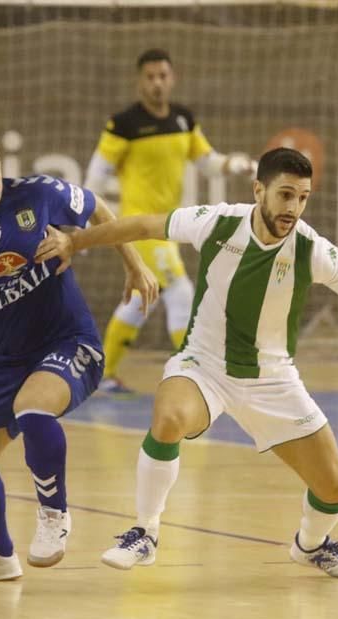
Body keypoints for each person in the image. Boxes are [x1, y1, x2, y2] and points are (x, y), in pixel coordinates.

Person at [36, 147, 338, 579]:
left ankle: (311, 545)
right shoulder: (217, 223)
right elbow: (141, 226)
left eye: (303, 198)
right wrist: (76, 241)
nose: (293, 208)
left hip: (272, 379)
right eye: (285, 195)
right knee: (170, 417)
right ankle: (145, 531)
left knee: (334, 488)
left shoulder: (314, 251)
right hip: (205, 366)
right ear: (258, 191)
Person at [0, 111, 158, 582]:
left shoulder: (37, 194)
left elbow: (98, 206)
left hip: (71, 339)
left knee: (33, 408)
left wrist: (133, 264)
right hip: (11, 355)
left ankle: (55, 514)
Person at [84, 47, 254, 393]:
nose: (157, 83)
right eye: (150, 77)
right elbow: (97, 174)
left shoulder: (183, 119)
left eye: (163, 76)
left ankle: (104, 374)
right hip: (138, 226)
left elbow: (207, 162)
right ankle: (192, 372)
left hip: (167, 226)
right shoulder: (124, 124)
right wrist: (84, 211)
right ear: (139, 82)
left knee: (139, 300)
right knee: (179, 291)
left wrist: (234, 164)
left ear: (172, 78)